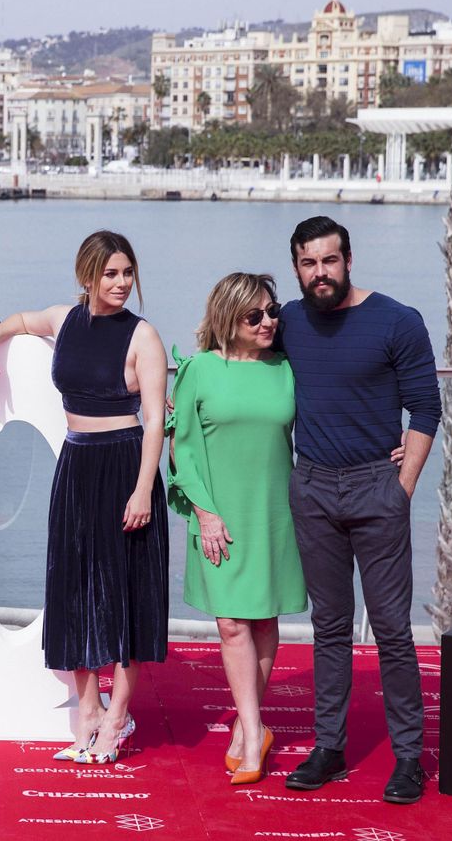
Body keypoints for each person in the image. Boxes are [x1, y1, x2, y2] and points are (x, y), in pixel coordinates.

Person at [0, 230, 169, 764]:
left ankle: (118, 716)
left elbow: (156, 421)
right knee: (75, 589)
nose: (122, 283)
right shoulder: (65, 320)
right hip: (77, 463)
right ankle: (88, 708)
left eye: (128, 273)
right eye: (110, 274)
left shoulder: (143, 336)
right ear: (87, 276)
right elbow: (19, 320)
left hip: (127, 465)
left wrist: (142, 491)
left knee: (127, 596)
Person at [277, 216, 440, 804]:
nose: (320, 273)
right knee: (329, 628)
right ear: (296, 267)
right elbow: (231, 345)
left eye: (329, 261)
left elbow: (425, 408)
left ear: (348, 259)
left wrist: (403, 484)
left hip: (379, 487)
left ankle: (409, 758)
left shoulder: (398, 321)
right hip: (313, 488)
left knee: (394, 630)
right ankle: (330, 746)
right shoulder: (287, 321)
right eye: (308, 263)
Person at [167, 272, 305, 787]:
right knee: (231, 624)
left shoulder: (288, 370)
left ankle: (248, 729)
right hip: (217, 513)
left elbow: (327, 422)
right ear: (229, 317)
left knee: (265, 622)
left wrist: (388, 445)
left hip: (275, 512)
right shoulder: (200, 368)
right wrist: (205, 513)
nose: (268, 322)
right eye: (256, 315)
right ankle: (252, 731)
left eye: (272, 313)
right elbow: (181, 447)